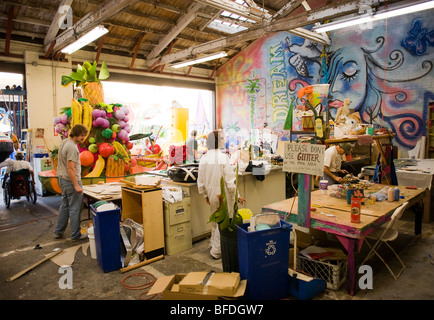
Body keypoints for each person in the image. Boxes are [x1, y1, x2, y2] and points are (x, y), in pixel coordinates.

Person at [197, 130, 244, 259]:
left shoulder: (204, 158)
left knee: (215, 220)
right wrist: (237, 196)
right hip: (223, 195)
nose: (224, 140)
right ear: (218, 141)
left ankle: (214, 244)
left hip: (212, 195)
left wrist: (205, 195)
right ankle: (217, 251)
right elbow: (230, 182)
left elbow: (200, 181)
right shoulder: (223, 158)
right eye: (222, 138)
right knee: (223, 222)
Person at [54, 124, 88, 241]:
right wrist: (76, 185)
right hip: (70, 181)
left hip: (63, 179)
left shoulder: (65, 142)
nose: (83, 138)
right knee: (75, 208)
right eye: (82, 135)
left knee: (65, 206)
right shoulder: (72, 147)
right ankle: (75, 235)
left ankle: (58, 232)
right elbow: (70, 168)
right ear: (76, 134)